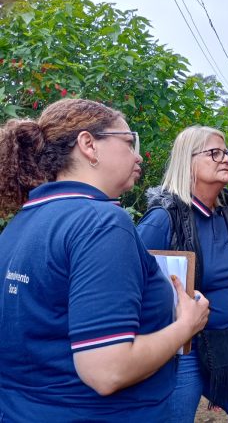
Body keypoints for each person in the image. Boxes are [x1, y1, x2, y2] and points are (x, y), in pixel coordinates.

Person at [0, 99, 209, 422]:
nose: (137, 155)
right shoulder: (101, 223)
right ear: (88, 145)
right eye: (128, 142)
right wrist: (186, 325)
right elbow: (107, 370)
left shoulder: (20, 224)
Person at [136, 126, 228, 423]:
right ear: (186, 161)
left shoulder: (227, 213)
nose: (225, 158)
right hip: (182, 353)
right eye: (214, 153)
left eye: (225, 152)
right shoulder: (163, 218)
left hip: (226, 344)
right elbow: (129, 282)